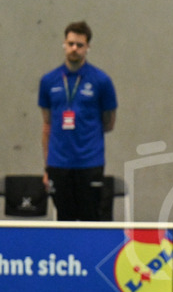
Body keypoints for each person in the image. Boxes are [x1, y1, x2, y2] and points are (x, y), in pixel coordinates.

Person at [38, 21, 118, 221]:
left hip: (89, 163)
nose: (74, 48)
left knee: (90, 219)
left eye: (79, 45)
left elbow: (108, 123)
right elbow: (47, 125)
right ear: (64, 44)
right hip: (58, 164)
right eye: (71, 43)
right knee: (64, 219)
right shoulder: (48, 81)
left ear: (87, 47)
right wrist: (47, 166)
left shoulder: (101, 81)